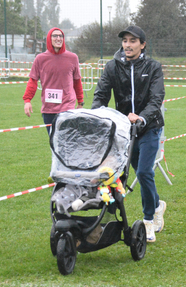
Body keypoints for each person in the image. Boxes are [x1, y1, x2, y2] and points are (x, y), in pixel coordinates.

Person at [92, 25, 166, 243]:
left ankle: (148, 220)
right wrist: (97, 116)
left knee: (143, 173)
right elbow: (101, 95)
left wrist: (141, 117)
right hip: (124, 131)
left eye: (133, 41)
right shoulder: (112, 67)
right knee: (122, 174)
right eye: (125, 40)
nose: (127, 45)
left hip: (149, 127)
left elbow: (156, 99)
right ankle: (157, 204)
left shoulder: (153, 67)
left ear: (142, 45)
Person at [23, 27, 84, 133]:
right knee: (54, 143)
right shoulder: (40, 59)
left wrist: (80, 102)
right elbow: (33, 80)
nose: (58, 38)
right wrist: (27, 100)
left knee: (67, 142)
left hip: (67, 107)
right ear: (49, 39)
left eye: (61, 36)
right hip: (49, 109)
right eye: (55, 36)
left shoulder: (73, 58)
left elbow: (77, 81)